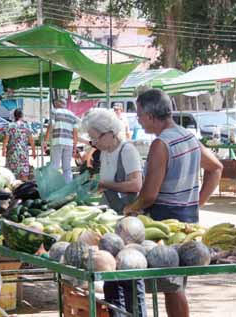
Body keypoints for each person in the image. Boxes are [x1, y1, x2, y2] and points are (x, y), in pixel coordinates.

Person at [123, 89, 223, 317]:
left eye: (139, 114)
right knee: (174, 285)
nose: (137, 118)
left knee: (172, 284)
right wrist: (196, 203)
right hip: (186, 219)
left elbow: (149, 195)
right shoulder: (188, 136)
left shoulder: (161, 144)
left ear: (150, 115)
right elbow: (216, 168)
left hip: (164, 220)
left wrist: (131, 208)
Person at [82, 108, 145, 317]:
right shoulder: (106, 153)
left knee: (129, 278)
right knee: (110, 278)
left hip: (127, 222)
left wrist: (105, 184)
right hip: (111, 221)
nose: (94, 143)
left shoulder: (127, 150)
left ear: (109, 132)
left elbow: (136, 183)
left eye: (96, 138)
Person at [44, 98, 80, 183]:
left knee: (54, 166)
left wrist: (45, 140)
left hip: (57, 141)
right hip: (69, 143)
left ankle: (52, 186)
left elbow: (51, 125)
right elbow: (75, 131)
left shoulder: (54, 111)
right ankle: (68, 187)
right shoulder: (72, 115)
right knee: (67, 168)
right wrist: (75, 146)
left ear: (57, 103)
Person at [2, 109, 37, 181]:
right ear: (22, 116)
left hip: (12, 152)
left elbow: (6, 139)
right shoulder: (26, 126)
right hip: (23, 153)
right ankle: (24, 189)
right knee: (23, 173)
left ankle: (14, 189)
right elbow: (31, 140)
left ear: (14, 116)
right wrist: (34, 151)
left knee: (11, 174)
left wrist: (3, 150)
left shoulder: (10, 125)